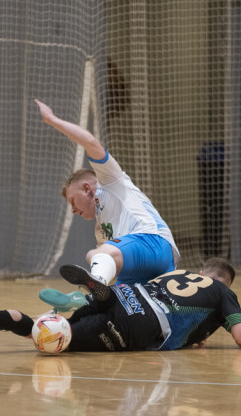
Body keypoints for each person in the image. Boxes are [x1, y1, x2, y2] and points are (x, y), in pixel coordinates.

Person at [34, 99, 180, 310]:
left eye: (73, 202)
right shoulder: (102, 230)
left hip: (154, 243)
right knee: (109, 311)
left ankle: (90, 294)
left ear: (87, 188)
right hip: (147, 272)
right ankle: (66, 316)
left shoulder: (111, 181)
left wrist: (52, 119)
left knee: (96, 254)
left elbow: (91, 142)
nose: (73, 210)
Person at [0, 258, 241, 354]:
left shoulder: (179, 272)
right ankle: (87, 293)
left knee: (46, 331)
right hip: (141, 323)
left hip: (126, 296)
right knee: (55, 343)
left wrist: (195, 335)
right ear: (224, 281)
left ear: (203, 270)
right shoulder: (223, 293)